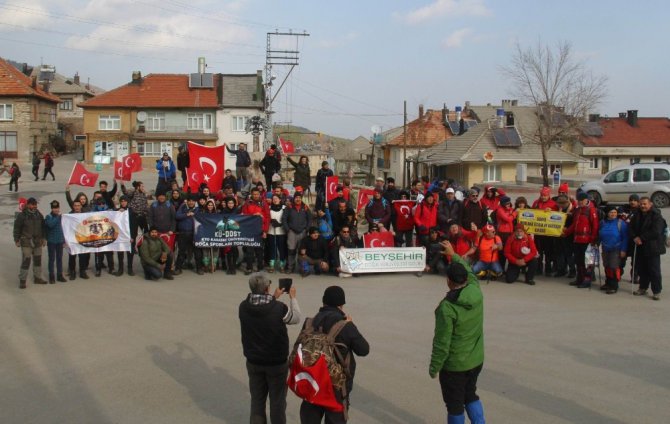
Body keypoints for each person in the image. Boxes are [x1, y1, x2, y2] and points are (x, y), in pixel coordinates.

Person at [430, 241, 485, 424]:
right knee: (470, 394)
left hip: (455, 365)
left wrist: (434, 367)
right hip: (476, 359)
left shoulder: (447, 308)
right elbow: (468, 271)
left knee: (454, 405)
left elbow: (442, 342)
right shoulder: (475, 289)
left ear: (448, 281)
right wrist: (453, 254)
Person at [299, 286, 369, 423]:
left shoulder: (309, 323)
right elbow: (364, 349)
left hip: (312, 382)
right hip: (336, 387)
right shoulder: (345, 326)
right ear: (341, 305)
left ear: (323, 302)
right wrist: (351, 325)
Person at [239, 273, 301, 424]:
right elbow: (295, 318)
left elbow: (262, 309)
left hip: (253, 361)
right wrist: (293, 298)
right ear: (267, 288)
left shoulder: (243, 307)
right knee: (277, 402)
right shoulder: (278, 308)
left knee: (257, 402)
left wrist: (273, 297)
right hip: (276, 363)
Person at [630, 196, 665, 300]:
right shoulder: (636, 214)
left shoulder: (657, 216)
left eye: (645, 204)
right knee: (642, 270)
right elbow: (631, 228)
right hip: (640, 247)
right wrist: (635, 237)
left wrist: (641, 238)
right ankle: (643, 287)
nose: (642, 206)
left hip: (652, 247)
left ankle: (656, 291)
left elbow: (656, 231)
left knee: (654, 271)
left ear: (650, 204)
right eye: (641, 204)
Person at [563, 192, 599, 289]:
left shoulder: (591, 210)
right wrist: (566, 232)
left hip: (586, 240)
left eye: (581, 201)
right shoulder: (578, 210)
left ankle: (587, 280)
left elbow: (595, 226)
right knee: (578, 261)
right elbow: (574, 224)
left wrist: (593, 239)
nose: (579, 202)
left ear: (586, 200)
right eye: (578, 201)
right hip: (577, 239)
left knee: (586, 262)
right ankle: (579, 279)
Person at [13, 197, 48, 288]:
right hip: (26, 242)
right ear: (28, 205)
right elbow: (17, 228)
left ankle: (37, 278)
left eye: (35, 204)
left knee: (37, 260)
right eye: (32, 204)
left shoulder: (38, 214)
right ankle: (22, 280)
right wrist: (16, 240)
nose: (34, 206)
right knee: (26, 261)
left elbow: (43, 227)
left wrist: (44, 238)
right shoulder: (22, 215)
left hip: (38, 242)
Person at [599, 206, 628, 294]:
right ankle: (608, 282)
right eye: (611, 212)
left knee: (613, 267)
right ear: (607, 213)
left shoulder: (621, 223)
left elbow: (626, 237)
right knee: (606, 265)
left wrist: (623, 250)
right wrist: (596, 242)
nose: (613, 214)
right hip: (605, 247)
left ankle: (614, 285)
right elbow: (600, 233)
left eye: (615, 212)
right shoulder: (602, 222)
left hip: (616, 248)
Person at [241, 187, 270, 275]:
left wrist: (265, 231)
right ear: (251, 194)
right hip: (249, 230)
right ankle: (249, 268)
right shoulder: (247, 203)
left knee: (259, 250)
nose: (255, 196)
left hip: (260, 230)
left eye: (257, 194)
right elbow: (244, 216)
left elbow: (268, 217)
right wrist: (253, 215)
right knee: (249, 250)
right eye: (254, 194)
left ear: (260, 194)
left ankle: (260, 267)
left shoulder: (264, 203)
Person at [531, 187, 559, 276]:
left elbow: (558, 216)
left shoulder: (553, 204)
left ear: (549, 195)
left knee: (548, 252)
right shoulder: (536, 203)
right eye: (542, 195)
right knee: (538, 251)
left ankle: (548, 269)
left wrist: (552, 211)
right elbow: (531, 213)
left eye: (545, 195)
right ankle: (538, 268)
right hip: (538, 232)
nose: (543, 197)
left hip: (548, 233)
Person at [282, 192, 311, 274]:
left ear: (301, 198)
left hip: (302, 232)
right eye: (296, 198)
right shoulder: (289, 207)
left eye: (299, 197)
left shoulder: (305, 207)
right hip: (292, 232)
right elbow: (284, 219)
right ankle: (290, 267)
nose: (298, 199)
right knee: (291, 250)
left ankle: (302, 268)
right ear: (294, 198)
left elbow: (310, 219)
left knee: (302, 251)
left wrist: (307, 229)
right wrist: (288, 229)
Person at [175, 194, 201, 275]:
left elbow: (202, 218)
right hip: (183, 233)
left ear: (195, 202)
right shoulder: (182, 207)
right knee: (181, 251)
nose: (191, 202)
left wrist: (195, 214)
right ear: (187, 201)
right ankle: (178, 268)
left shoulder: (198, 209)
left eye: (192, 201)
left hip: (194, 233)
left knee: (197, 252)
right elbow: (177, 216)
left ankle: (199, 268)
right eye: (189, 201)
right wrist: (186, 214)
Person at [66, 199, 91, 280]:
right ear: (73, 206)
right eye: (75, 205)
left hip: (82, 238)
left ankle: (82, 272)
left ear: (81, 206)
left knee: (82, 256)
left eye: (78, 205)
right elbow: (66, 227)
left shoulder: (85, 215)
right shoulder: (69, 215)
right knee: (72, 256)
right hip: (72, 239)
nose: (77, 207)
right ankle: (72, 272)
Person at [44, 200, 67, 284]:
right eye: (54, 208)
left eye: (57, 208)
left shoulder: (61, 217)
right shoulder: (48, 216)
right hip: (51, 241)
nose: (56, 209)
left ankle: (59, 275)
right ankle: (51, 276)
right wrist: (58, 217)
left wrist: (64, 240)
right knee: (52, 259)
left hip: (60, 240)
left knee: (59, 259)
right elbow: (50, 225)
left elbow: (63, 229)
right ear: (52, 209)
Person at [268, 194, 288, 273]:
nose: (275, 200)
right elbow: (266, 217)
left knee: (281, 248)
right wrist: (271, 220)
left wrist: (281, 224)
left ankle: (282, 264)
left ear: (280, 199)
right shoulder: (269, 208)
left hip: (281, 231)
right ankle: (271, 265)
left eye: (276, 198)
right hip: (271, 231)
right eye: (273, 198)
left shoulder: (284, 208)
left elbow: (287, 218)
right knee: (272, 248)